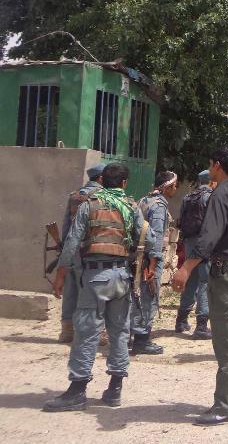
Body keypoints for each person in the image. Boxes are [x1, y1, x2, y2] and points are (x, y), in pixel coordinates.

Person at [43, 163, 151, 412]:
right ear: (124, 183)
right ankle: (115, 389)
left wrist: (61, 275)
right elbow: (148, 239)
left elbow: (71, 243)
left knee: (86, 332)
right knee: (120, 333)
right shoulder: (132, 207)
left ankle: (77, 390)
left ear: (102, 181)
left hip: (95, 277)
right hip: (122, 277)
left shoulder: (88, 205)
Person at [171, 147, 228, 426]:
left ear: (218, 166)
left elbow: (208, 237)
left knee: (227, 342)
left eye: (211, 164)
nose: (209, 169)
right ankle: (226, 401)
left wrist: (186, 268)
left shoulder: (221, 193)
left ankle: (227, 407)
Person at [57, 162, 105, 344]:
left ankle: (67, 331)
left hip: (73, 249)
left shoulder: (75, 196)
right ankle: (98, 332)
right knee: (95, 290)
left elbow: (67, 227)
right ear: (101, 178)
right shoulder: (103, 196)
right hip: (94, 250)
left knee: (71, 290)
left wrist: (65, 251)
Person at [131, 171, 178, 355]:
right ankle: (142, 340)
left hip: (139, 258)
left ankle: (132, 335)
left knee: (136, 297)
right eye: (174, 186)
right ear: (167, 187)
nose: (176, 189)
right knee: (149, 297)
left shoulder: (144, 200)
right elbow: (156, 237)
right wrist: (152, 264)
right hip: (150, 260)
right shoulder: (158, 206)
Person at [175, 169, 216, 339]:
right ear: (212, 181)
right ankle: (201, 325)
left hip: (189, 242)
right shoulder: (211, 197)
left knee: (190, 280)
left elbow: (180, 221)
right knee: (205, 282)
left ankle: (181, 320)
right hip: (205, 245)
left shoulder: (187, 197)